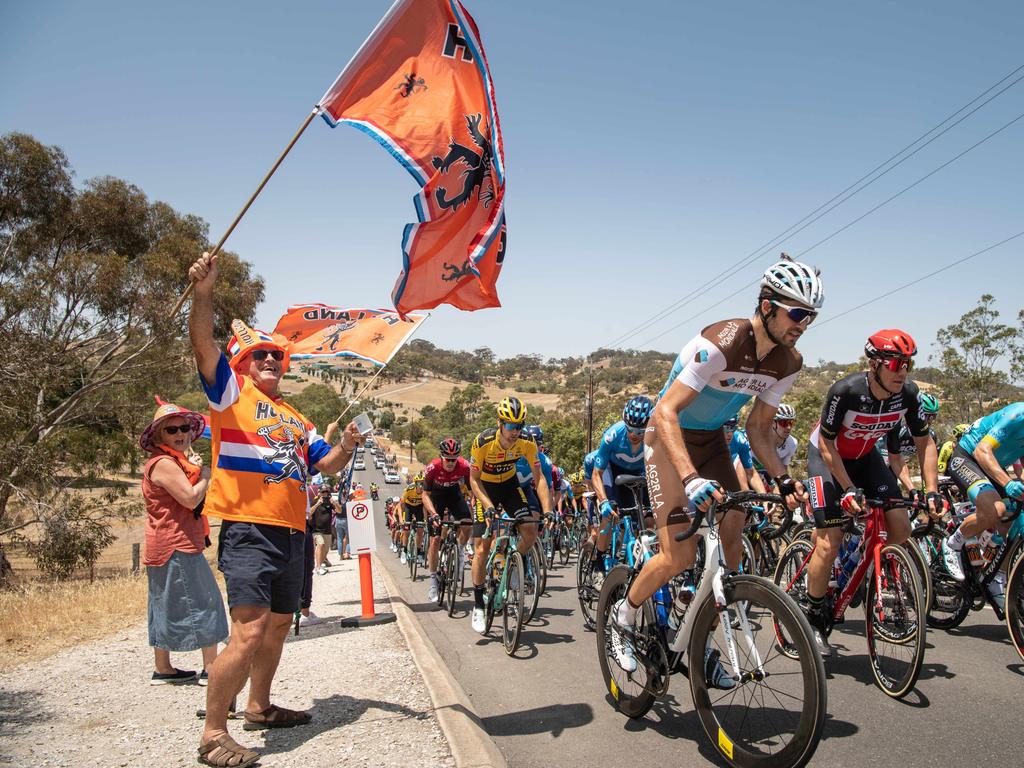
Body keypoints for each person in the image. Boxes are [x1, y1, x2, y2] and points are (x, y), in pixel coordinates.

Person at [188, 251, 364, 768]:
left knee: (282, 625)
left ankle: (259, 708)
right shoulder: (230, 394)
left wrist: (348, 446)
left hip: (293, 534)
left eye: (276, 357)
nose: (269, 361)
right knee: (247, 631)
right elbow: (203, 345)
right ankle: (212, 734)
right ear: (244, 362)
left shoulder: (295, 415)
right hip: (250, 530)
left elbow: (325, 464)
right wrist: (204, 295)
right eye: (260, 356)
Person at [610, 256, 821, 681]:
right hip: (667, 438)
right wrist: (690, 480)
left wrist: (782, 480)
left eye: (810, 316)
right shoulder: (721, 343)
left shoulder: (788, 363)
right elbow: (666, 411)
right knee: (679, 553)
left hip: (711, 442)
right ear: (767, 305)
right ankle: (624, 614)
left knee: (733, 529)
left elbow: (759, 429)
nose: (803, 323)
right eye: (797, 313)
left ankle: (694, 629)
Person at [803, 329, 942, 657]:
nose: (902, 371)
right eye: (895, 363)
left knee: (900, 527)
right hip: (827, 458)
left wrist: (930, 490)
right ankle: (813, 615)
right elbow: (826, 442)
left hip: (865, 458)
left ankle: (872, 566)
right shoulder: (847, 391)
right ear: (874, 364)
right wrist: (848, 489)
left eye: (907, 363)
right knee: (830, 540)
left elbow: (925, 443)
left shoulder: (908, 394)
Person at [141, 400, 228, 687]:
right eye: (172, 430)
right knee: (206, 601)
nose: (180, 433)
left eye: (184, 428)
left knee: (162, 604)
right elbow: (190, 498)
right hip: (178, 544)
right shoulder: (165, 464)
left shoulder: (170, 462)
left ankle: (162, 668)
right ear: (158, 436)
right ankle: (210, 668)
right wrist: (205, 475)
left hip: (163, 543)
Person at [468, 397, 552, 633]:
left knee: (530, 531)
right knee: (482, 548)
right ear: (500, 423)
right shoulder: (482, 442)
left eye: (519, 426)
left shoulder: (527, 441)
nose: (515, 431)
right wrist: (487, 505)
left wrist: (548, 511)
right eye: (510, 425)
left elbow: (540, 478)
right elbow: (473, 480)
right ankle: (478, 606)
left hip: (510, 485)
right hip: (485, 489)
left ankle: (513, 567)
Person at [940, 402, 1024, 582]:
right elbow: (982, 451)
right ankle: (953, 544)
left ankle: (995, 577)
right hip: (969, 457)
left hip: (994, 465)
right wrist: (1008, 483)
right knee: (995, 510)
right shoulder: (1017, 415)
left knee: (1012, 524)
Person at [589, 396, 654, 572]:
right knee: (610, 513)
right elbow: (597, 473)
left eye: (641, 431)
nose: (634, 435)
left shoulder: (656, 436)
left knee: (649, 519)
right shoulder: (613, 435)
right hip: (613, 470)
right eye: (630, 429)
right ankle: (600, 563)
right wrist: (603, 501)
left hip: (639, 473)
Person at [423, 438, 472, 602]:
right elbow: (425, 495)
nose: (451, 462)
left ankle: (459, 551)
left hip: (454, 496)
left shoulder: (464, 466)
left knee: (467, 524)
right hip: (436, 498)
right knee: (435, 540)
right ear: (441, 456)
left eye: (454, 459)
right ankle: (432, 582)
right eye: (448, 459)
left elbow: (473, 489)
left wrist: (478, 505)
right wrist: (433, 513)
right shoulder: (433, 467)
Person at [879, 392, 940, 495]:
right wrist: (910, 488)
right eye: (926, 415)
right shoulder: (900, 431)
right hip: (884, 458)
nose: (930, 420)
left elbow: (925, 465)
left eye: (933, 416)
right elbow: (888, 461)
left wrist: (927, 491)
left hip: (897, 463)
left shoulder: (931, 436)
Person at [724, 416, 768, 493]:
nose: (730, 433)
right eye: (726, 428)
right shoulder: (706, 439)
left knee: (738, 461)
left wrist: (765, 499)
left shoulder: (739, 439)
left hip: (731, 478)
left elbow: (751, 474)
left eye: (733, 428)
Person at [310, 486, 335, 575]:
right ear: (319, 493)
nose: (324, 494)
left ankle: (320, 564)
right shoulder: (315, 501)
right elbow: (309, 512)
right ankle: (318, 567)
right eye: (323, 492)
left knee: (326, 550)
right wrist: (317, 504)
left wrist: (334, 503)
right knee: (320, 544)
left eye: (326, 492)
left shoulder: (330, 502)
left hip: (327, 530)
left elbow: (339, 511)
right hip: (317, 529)